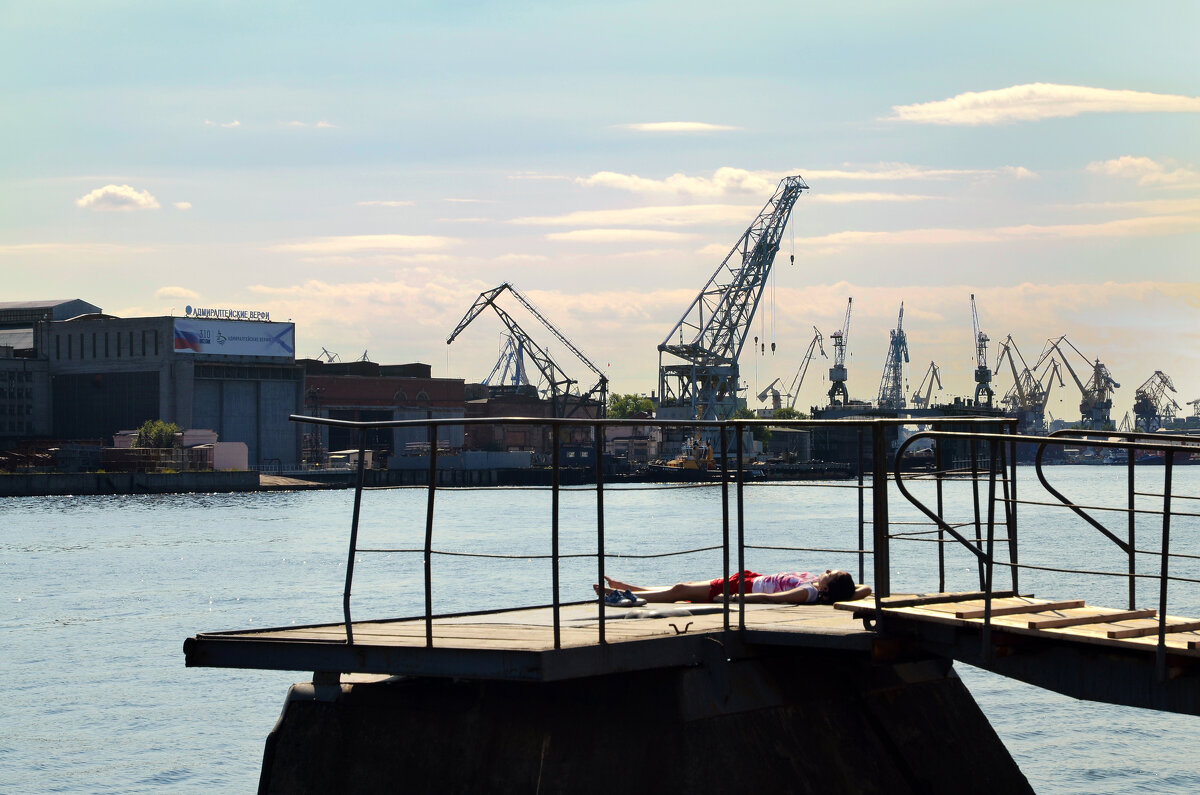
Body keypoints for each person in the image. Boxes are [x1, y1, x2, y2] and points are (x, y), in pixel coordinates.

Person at [596, 570, 870, 605]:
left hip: (747, 587)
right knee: (687, 587)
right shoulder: (817, 588)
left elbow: (770, 598)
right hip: (750, 578)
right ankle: (631, 587)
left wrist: (736, 598)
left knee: (681, 589)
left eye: (829, 573)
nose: (824, 571)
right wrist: (842, 593)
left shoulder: (808, 592)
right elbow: (865, 589)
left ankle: (623, 594)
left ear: (827, 585)